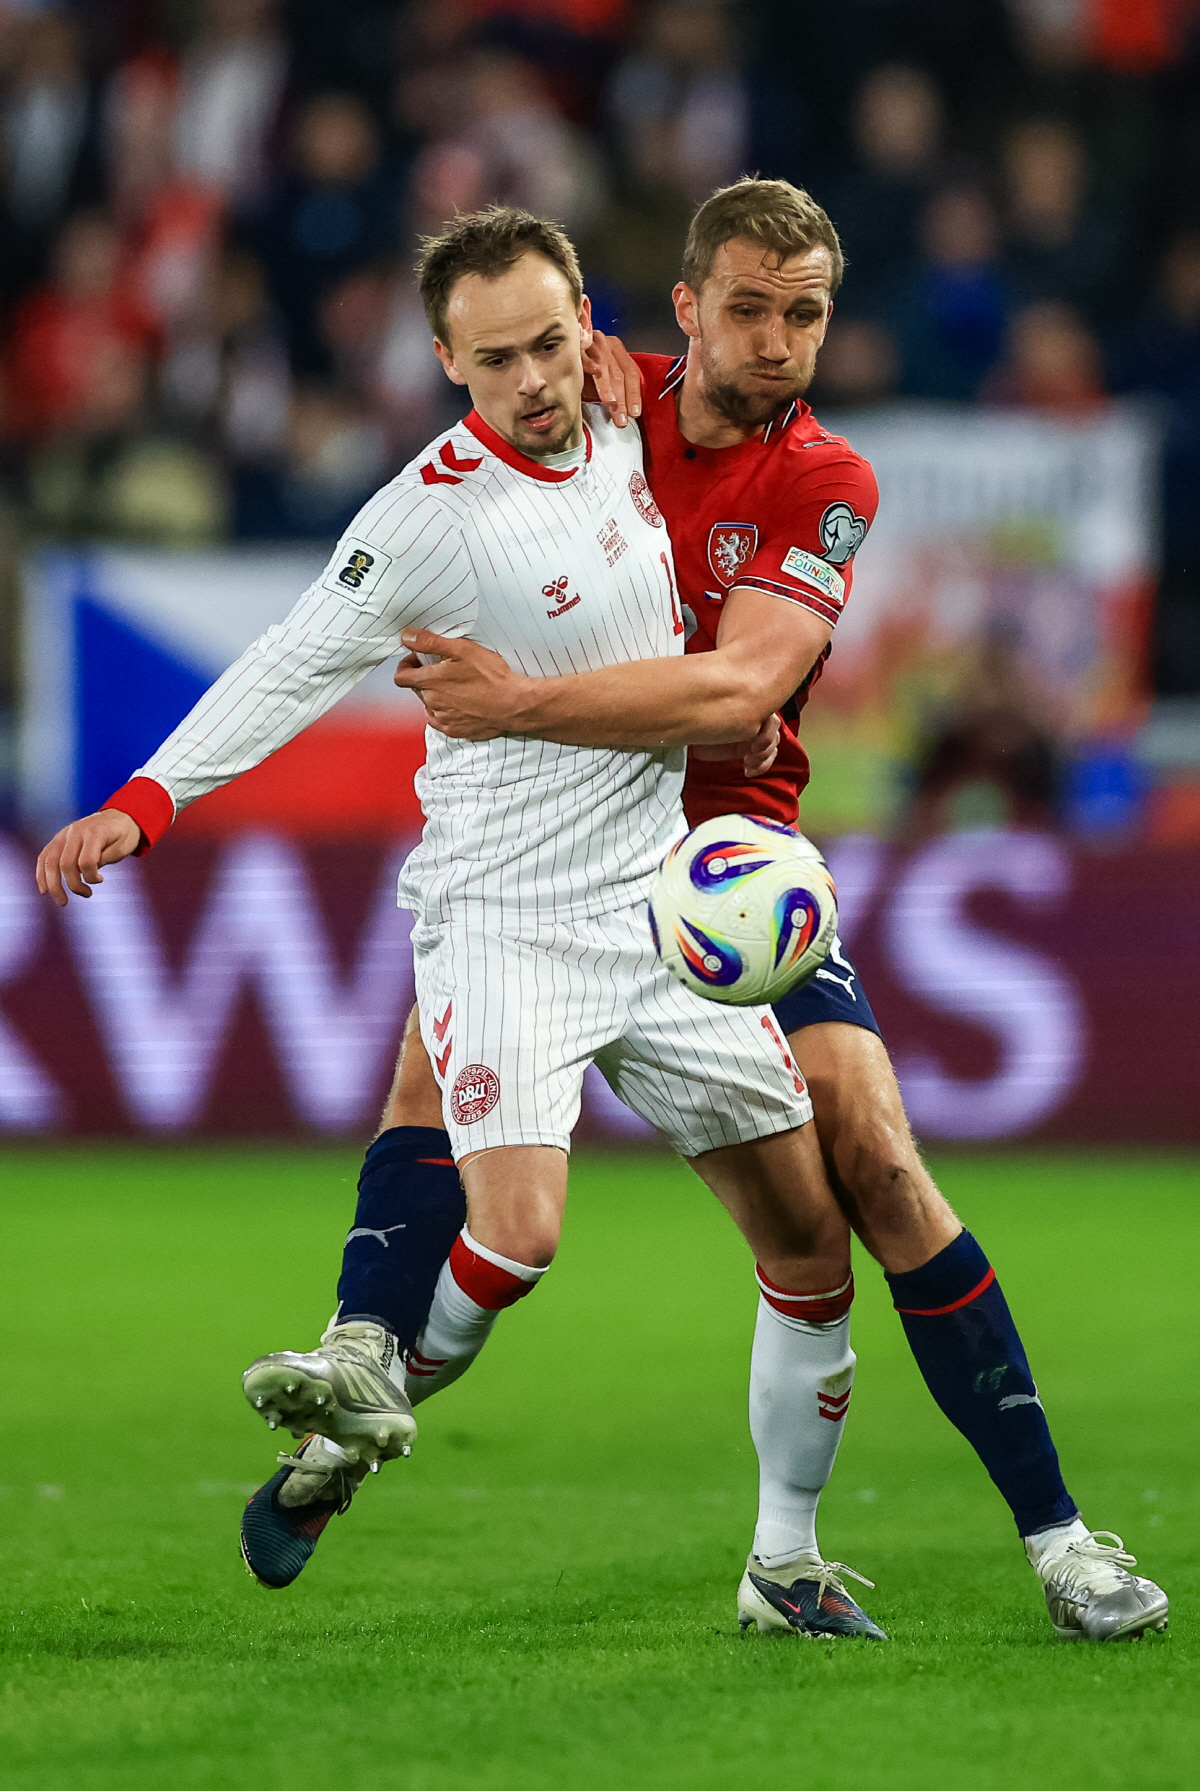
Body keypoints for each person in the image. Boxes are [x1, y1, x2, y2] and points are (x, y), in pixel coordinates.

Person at [36, 204, 887, 1643]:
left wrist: (632, 360)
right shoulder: (424, 518)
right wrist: (146, 802)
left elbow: (685, 399)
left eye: (557, 343)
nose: (539, 382)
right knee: (524, 1231)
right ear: (446, 362)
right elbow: (290, 662)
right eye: (500, 361)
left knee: (812, 1241)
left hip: (661, 899)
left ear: (593, 332)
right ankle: (355, 1408)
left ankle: (785, 1565)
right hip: (506, 907)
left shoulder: (627, 417)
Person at [340, 178, 1168, 1645]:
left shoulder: (824, 480)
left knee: (873, 1166)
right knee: (435, 1083)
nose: (779, 340)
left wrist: (518, 697)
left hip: (728, 874)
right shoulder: (588, 402)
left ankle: (1053, 1543)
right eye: (747, 307)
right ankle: (353, 1389)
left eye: (806, 313)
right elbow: (470, 446)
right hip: (553, 849)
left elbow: (739, 690)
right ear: (681, 308)